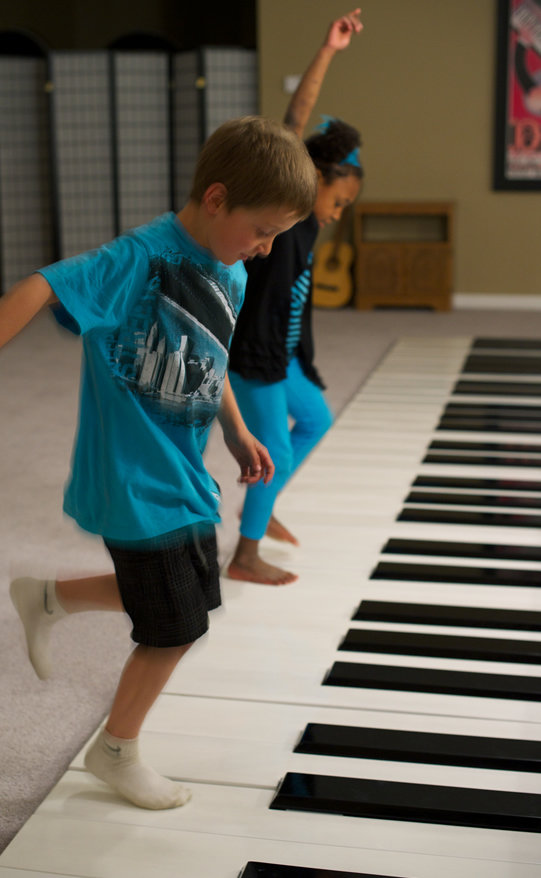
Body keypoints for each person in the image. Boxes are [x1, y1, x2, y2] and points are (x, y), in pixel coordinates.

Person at [0, 116, 317, 810]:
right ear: (218, 198)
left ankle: (48, 597)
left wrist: (231, 429)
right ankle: (115, 751)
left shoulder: (227, 269)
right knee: (175, 627)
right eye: (262, 232)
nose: (264, 251)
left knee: (189, 595)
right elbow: (37, 288)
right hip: (132, 476)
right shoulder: (139, 258)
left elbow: (209, 355)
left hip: (183, 470)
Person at [227, 11, 364, 586]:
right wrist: (328, 50)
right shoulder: (294, 208)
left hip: (284, 358)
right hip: (253, 357)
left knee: (315, 419)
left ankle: (262, 505)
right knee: (271, 451)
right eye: (339, 199)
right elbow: (295, 120)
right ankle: (244, 555)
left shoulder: (311, 230)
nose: (339, 211)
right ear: (316, 181)